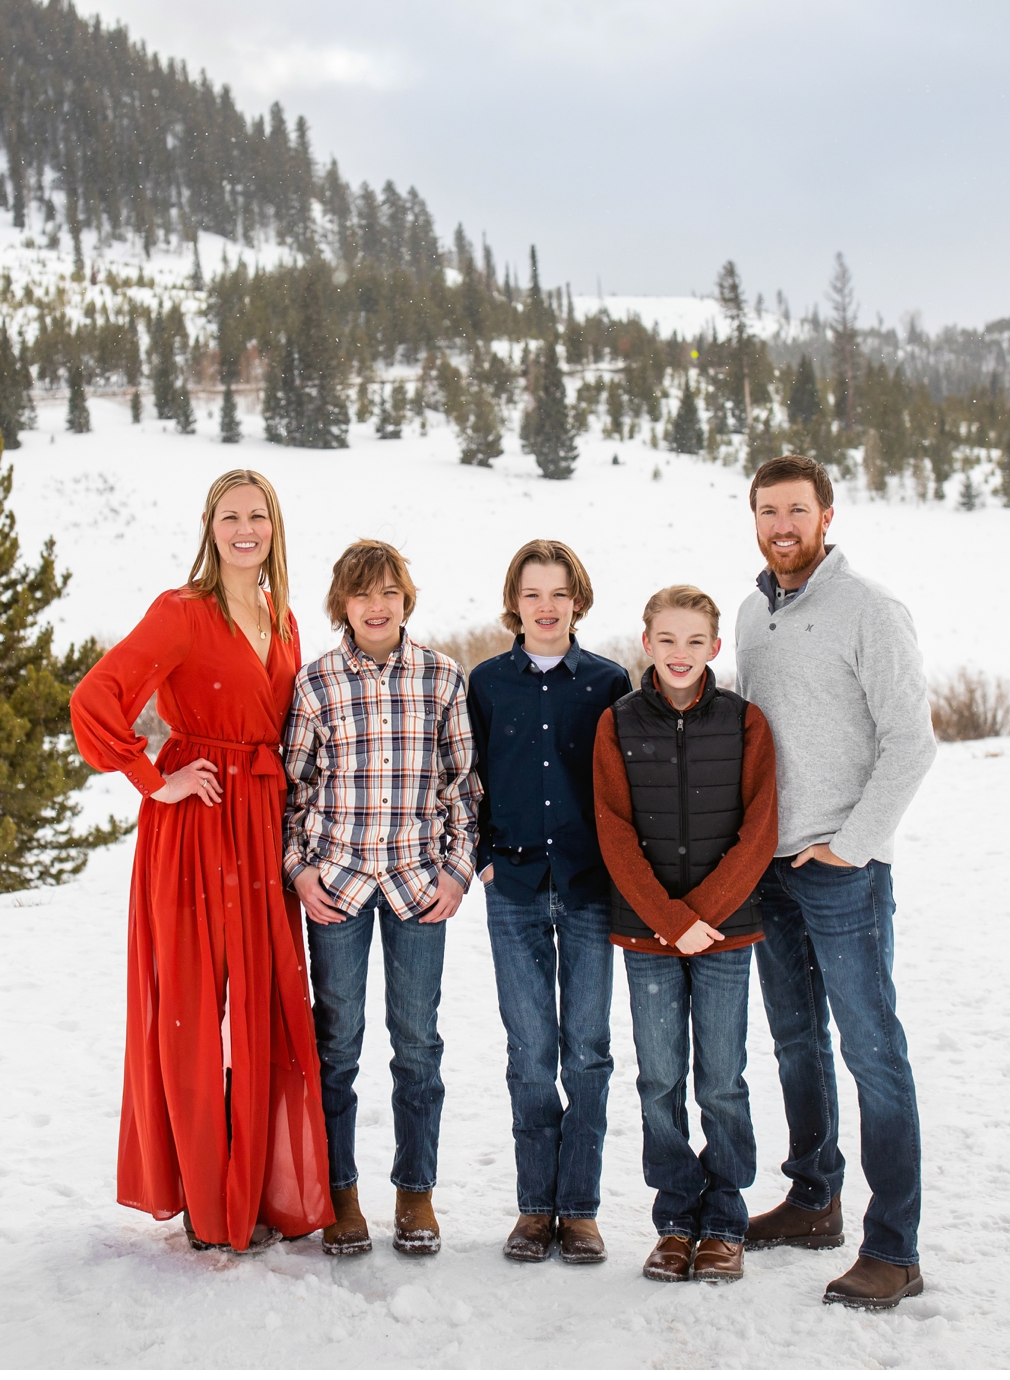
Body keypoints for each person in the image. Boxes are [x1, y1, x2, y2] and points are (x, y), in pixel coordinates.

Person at [70, 469, 332, 1254]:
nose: (245, 528)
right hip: (198, 823)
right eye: (231, 516)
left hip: (261, 828)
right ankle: (200, 1195)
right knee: (193, 1006)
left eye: (258, 515)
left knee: (260, 1004)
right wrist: (158, 777)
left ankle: (251, 1187)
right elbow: (95, 698)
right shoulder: (181, 612)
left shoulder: (281, 617)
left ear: (274, 527)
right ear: (210, 527)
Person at [734, 454, 938, 1309]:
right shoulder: (750, 612)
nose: (782, 524)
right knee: (794, 1042)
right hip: (771, 868)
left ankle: (893, 1247)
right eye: (768, 510)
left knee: (872, 1051)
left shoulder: (870, 609)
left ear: (826, 515)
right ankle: (814, 1196)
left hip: (843, 871)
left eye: (797, 509)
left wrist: (853, 846)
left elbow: (912, 742)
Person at [282, 539, 480, 1258]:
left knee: (417, 1043)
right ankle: (340, 1194)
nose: (376, 605)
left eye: (389, 592)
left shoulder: (441, 677)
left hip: (416, 888)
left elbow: (463, 787)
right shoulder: (316, 683)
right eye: (363, 594)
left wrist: (456, 873)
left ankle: (415, 1192)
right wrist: (299, 872)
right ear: (342, 603)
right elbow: (295, 792)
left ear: (406, 598)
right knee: (335, 1046)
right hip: (335, 886)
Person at [593, 585, 780, 1285]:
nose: (680, 653)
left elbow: (759, 830)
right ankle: (676, 1219)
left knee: (723, 1079)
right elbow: (614, 831)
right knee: (660, 1077)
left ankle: (725, 1219)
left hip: (727, 935)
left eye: (694, 641)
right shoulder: (617, 723)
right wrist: (673, 921)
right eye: (667, 639)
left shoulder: (744, 722)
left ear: (715, 648)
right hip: (649, 938)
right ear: (647, 643)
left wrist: (705, 915)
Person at [466, 539, 632, 1265]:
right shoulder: (486, 683)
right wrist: (480, 859)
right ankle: (536, 1208)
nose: (545, 605)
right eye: (532, 592)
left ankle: (582, 1208)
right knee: (531, 1052)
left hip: (591, 889)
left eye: (558, 592)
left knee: (588, 1053)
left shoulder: (608, 681)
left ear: (577, 600)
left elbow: (630, 782)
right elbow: (461, 775)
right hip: (516, 890)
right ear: (515, 601)